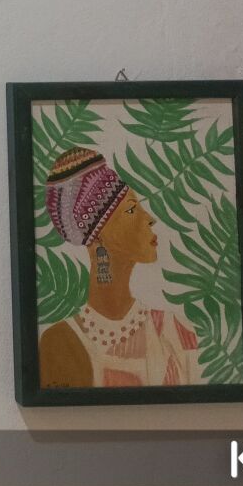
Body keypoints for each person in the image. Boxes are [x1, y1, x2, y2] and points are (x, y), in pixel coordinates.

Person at [38, 147, 201, 388]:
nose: (150, 219)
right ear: (98, 234)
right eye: (132, 209)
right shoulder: (60, 342)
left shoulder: (176, 331)